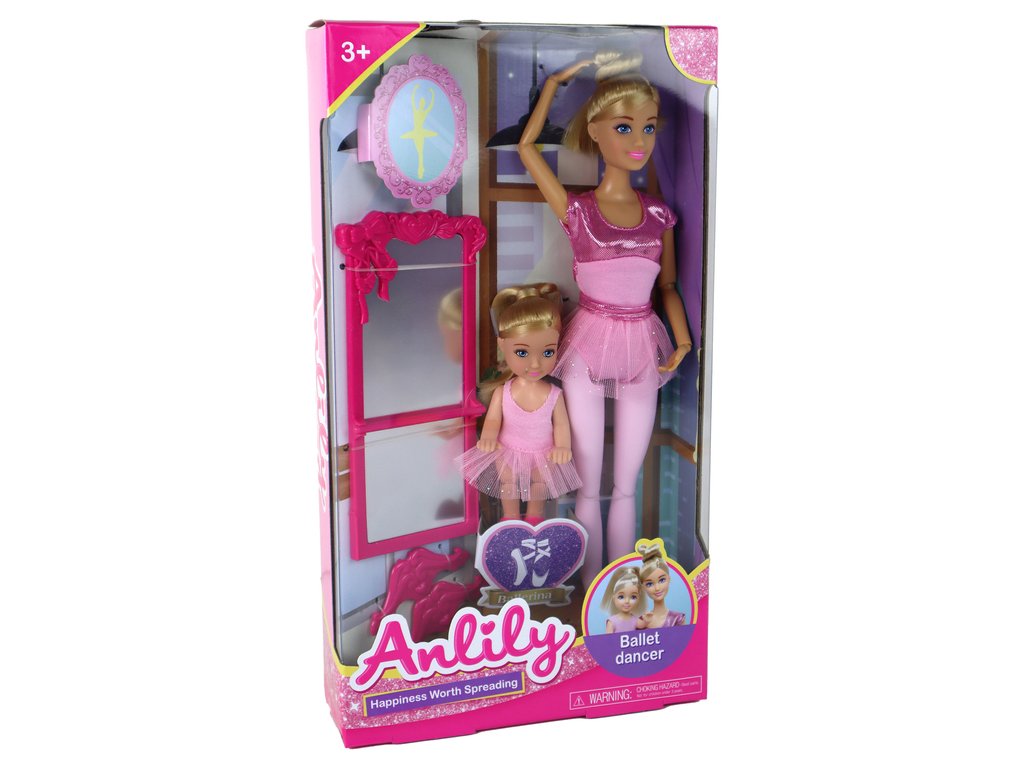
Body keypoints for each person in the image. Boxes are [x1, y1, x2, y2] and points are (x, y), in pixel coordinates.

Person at [518, 52, 692, 582]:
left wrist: (682, 343)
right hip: (588, 345)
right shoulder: (579, 211)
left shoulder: (659, 215)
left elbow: (667, 286)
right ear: (595, 131)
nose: (639, 140)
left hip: (644, 345)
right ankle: (588, 587)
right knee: (588, 481)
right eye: (623, 127)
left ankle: (619, 588)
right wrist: (554, 83)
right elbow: (527, 149)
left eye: (648, 127)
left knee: (626, 484)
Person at [456, 284, 581, 522]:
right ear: (502, 346)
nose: (535, 364)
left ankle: (535, 517)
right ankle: (510, 518)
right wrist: (489, 436)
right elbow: (493, 419)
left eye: (547, 352)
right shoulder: (503, 392)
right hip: (508, 450)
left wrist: (563, 446)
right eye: (522, 353)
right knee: (508, 484)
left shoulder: (554, 394)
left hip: (543, 453)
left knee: (539, 485)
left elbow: (561, 425)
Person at [637, 541, 687, 628]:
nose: (657, 588)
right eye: (649, 584)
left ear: (669, 579)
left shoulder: (677, 619)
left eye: (662, 580)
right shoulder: (641, 621)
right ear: (643, 587)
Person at [600, 566, 649, 633]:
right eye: (621, 597)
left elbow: (644, 625)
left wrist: (647, 618)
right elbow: (608, 638)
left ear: (638, 599)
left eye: (633, 597)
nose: (627, 601)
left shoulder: (635, 620)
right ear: (614, 598)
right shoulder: (612, 622)